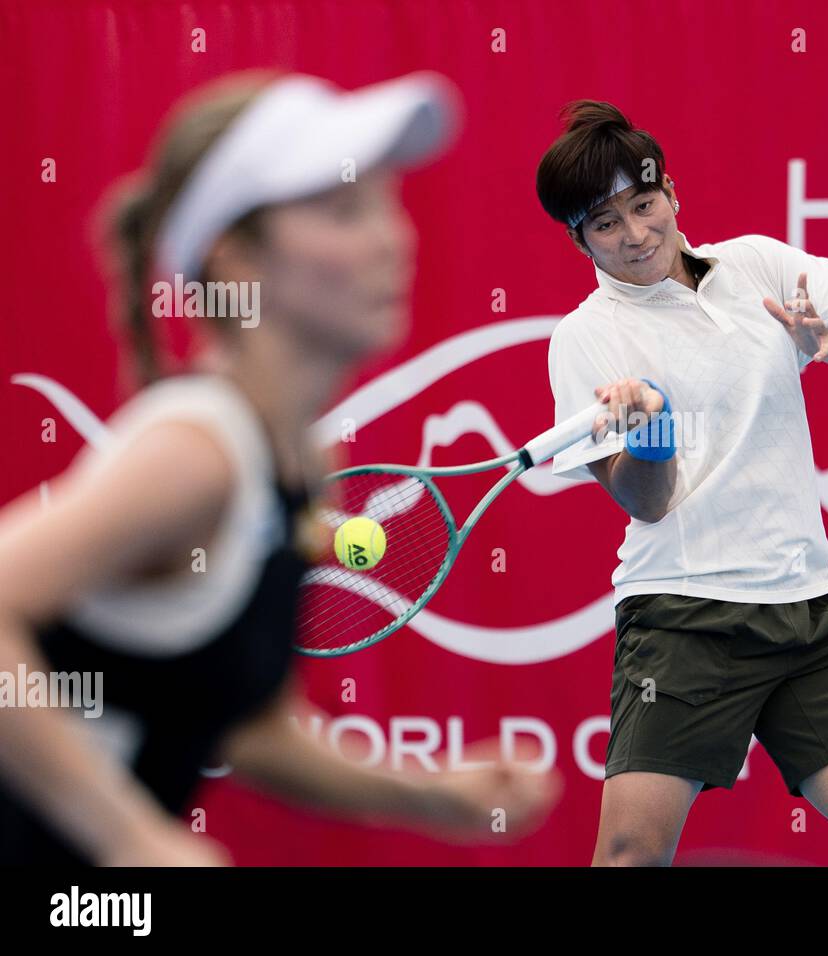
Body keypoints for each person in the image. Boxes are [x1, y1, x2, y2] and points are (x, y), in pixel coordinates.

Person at [0, 70, 559, 865]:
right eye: (343, 211)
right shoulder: (195, 458)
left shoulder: (303, 464)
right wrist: (132, 840)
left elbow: (248, 722)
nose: (392, 238)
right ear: (236, 261)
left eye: (389, 203)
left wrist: (432, 794)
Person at [536, 100, 828, 866]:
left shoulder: (754, 263)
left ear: (673, 193)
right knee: (629, 856)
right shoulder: (584, 338)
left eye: (644, 205)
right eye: (605, 223)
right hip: (685, 617)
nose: (636, 234)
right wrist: (649, 428)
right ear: (577, 237)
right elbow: (645, 503)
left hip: (807, 610)